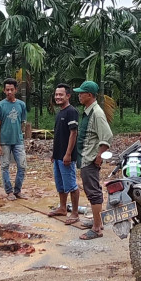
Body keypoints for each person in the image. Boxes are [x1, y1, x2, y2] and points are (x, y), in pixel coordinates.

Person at [73, 80, 112, 240]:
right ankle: (97, 222)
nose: (79, 95)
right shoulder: (89, 112)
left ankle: (96, 229)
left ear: (89, 95)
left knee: (93, 193)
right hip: (86, 157)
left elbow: (107, 136)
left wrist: (99, 155)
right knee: (92, 190)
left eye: (81, 93)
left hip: (90, 158)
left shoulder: (97, 113)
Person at [46, 84, 81, 225]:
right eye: (56, 94)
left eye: (61, 94)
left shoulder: (71, 111)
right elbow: (58, 135)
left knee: (71, 185)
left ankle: (75, 213)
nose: (58, 97)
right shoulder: (60, 112)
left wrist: (68, 154)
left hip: (67, 156)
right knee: (60, 184)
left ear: (68, 96)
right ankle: (62, 208)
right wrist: (54, 153)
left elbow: (73, 133)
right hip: (58, 155)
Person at [0, 78, 28, 201]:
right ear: (4, 90)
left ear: (16, 90)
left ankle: (18, 190)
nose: (9, 92)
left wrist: (21, 136)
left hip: (18, 141)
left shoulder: (21, 105)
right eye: (7, 90)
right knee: (5, 166)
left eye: (11, 89)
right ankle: (9, 192)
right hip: (4, 141)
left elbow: (22, 122)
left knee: (22, 166)